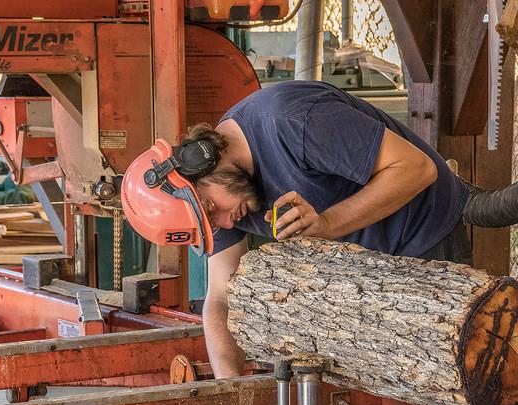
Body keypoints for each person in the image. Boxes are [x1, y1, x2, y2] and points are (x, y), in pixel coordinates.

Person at [121, 80, 515, 379]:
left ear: (200, 161)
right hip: (365, 275)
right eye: (211, 224)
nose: (227, 223)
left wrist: (326, 224)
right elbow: (220, 299)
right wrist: (231, 389)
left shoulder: (293, 122)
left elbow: (417, 169)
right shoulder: (222, 199)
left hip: (423, 238)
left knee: (458, 374)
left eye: (212, 210)